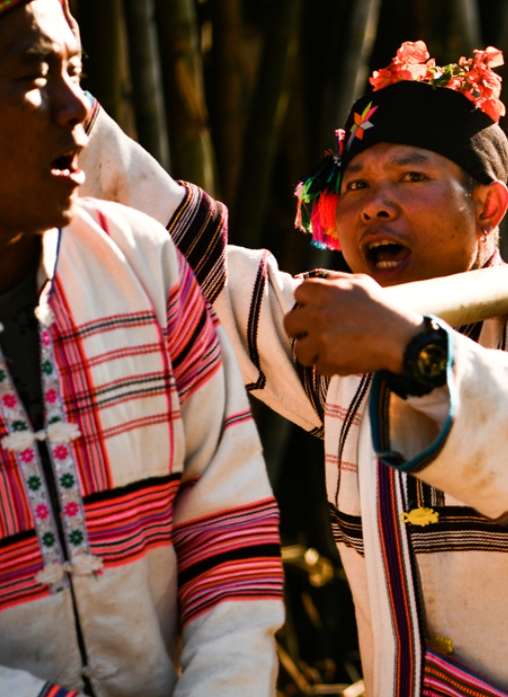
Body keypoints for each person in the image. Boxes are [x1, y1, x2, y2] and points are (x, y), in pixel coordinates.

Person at [80, 42, 508, 695]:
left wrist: (414, 352)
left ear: (488, 206)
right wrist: (61, 106)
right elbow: (192, 258)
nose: (375, 204)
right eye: (358, 184)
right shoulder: (341, 344)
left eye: (411, 177)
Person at [0, 1, 283, 696]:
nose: (77, 110)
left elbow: (228, 520)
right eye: (36, 74)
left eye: (76, 70)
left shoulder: (144, 265)